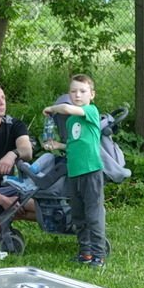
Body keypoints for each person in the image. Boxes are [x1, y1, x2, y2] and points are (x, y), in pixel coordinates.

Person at [42, 74, 106, 267]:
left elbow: (67, 108)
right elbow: (74, 144)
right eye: (73, 91)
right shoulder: (70, 121)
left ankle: (99, 255)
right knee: (78, 214)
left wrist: (52, 109)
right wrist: (58, 145)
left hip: (91, 171)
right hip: (74, 172)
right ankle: (85, 252)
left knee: (93, 213)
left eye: (82, 91)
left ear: (92, 95)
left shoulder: (91, 111)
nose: (77, 95)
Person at [0, 83, 35, 239]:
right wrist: (2, 201)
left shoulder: (14, 125)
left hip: (8, 188)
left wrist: (13, 153)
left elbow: (27, 151)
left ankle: (0, 217)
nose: (1, 102)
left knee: (40, 207)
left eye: (3, 97)